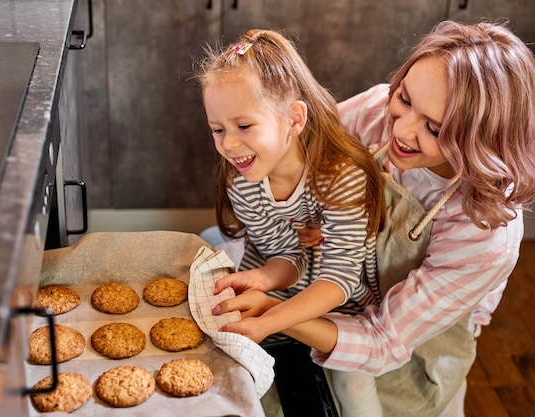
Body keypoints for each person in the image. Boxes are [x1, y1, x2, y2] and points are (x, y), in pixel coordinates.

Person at [211, 20, 535, 417]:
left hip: (411, 332)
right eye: (404, 98)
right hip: (343, 288)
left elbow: (382, 341)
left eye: (434, 128)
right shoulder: (372, 113)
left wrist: (275, 315)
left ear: (482, 139)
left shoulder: (486, 235)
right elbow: (304, 168)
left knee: (356, 387)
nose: (401, 129)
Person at [194, 29, 385, 416]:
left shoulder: (342, 177)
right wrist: (266, 279)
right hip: (280, 288)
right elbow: (283, 253)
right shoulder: (243, 183)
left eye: (244, 126)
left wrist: (271, 318)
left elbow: (340, 278)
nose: (229, 145)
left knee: (352, 383)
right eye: (218, 129)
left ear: (293, 119)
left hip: (336, 304)